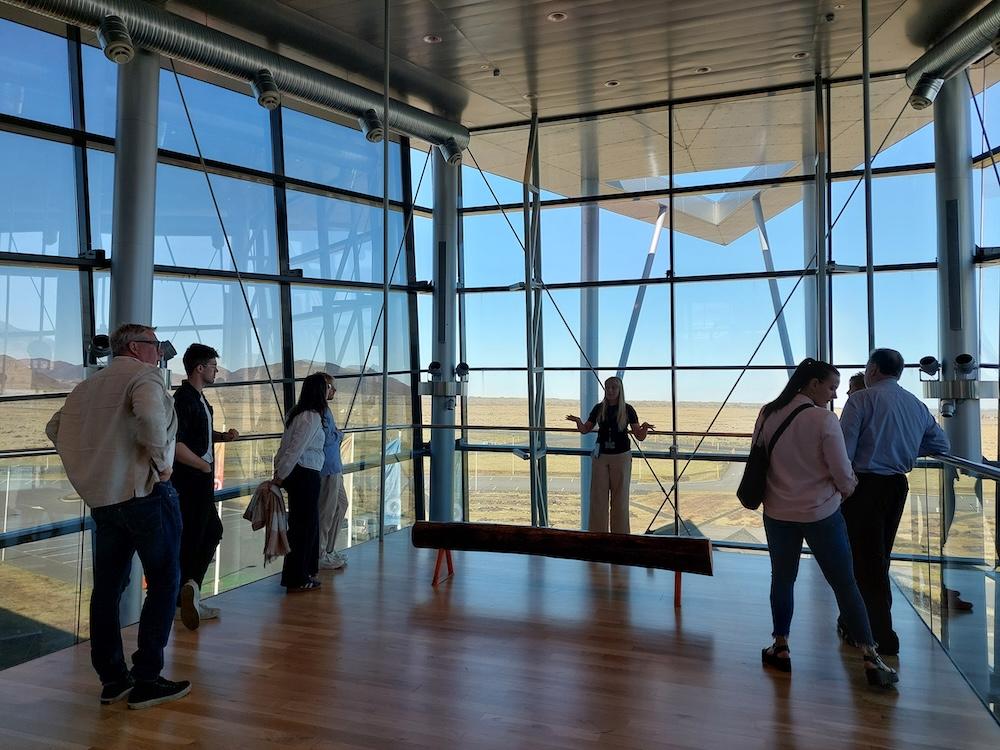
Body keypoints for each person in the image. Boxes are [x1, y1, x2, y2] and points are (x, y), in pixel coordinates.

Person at [45, 323, 191, 709]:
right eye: (155, 344)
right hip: (144, 495)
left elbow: (54, 427)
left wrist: (90, 469)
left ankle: (113, 679)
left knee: (107, 590)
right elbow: (148, 417)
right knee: (164, 582)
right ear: (135, 347)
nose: (160, 350)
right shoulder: (144, 377)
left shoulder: (87, 387)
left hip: (105, 501)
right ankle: (146, 678)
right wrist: (162, 466)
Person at [753, 358, 897, 687]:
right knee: (845, 583)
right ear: (812, 383)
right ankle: (870, 656)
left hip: (777, 513)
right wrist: (847, 491)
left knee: (783, 579)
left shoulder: (767, 414)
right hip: (820, 513)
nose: (834, 394)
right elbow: (842, 472)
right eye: (831, 386)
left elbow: (759, 461)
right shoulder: (824, 420)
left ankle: (781, 646)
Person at [839, 348, 952, 654]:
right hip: (896, 486)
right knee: (879, 556)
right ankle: (862, 624)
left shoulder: (861, 400)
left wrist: (844, 488)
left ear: (872, 370)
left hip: (862, 487)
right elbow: (941, 443)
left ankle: (876, 634)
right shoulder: (915, 405)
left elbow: (843, 453)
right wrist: (903, 449)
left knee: (863, 560)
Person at [172, 343, 240, 631]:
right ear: (200, 368)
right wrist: (202, 466)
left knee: (206, 532)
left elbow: (197, 433)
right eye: (213, 365)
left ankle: (189, 593)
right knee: (201, 533)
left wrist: (221, 436)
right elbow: (176, 443)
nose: (216, 370)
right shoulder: (185, 399)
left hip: (199, 476)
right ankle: (185, 595)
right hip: (192, 479)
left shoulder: (197, 399)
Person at [566, 376, 654, 533]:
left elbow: (638, 435)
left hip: (621, 457)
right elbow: (585, 429)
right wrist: (578, 421)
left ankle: (619, 538)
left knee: (620, 499)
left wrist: (645, 427)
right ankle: (598, 536)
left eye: (614, 387)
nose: (611, 390)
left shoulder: (628, 410)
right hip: (601, 457)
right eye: (608, 387)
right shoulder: (599, 408)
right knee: (598, 498)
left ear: (620, 390)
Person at [271, 372, 328, 592]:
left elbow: (286, 446)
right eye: (327, 388)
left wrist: (281, 471)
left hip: (298, 474)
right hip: (305, 474)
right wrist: (281, 473)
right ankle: (298, 576)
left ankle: (301, 573)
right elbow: (296, 448)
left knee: (301, 525)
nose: (330, 392)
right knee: (304, 528)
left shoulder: (297, 414)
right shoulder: (311, 417)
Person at [317, 373, 349, 570]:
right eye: (331, 386)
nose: (334, 390)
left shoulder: (325, 410)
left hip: (333, 467)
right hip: (326, 468)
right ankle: (320, 553)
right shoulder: (318, 412)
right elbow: (326, 438)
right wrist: (338, 434)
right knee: (325, 512)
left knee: (340, 506)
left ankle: (328, 549)